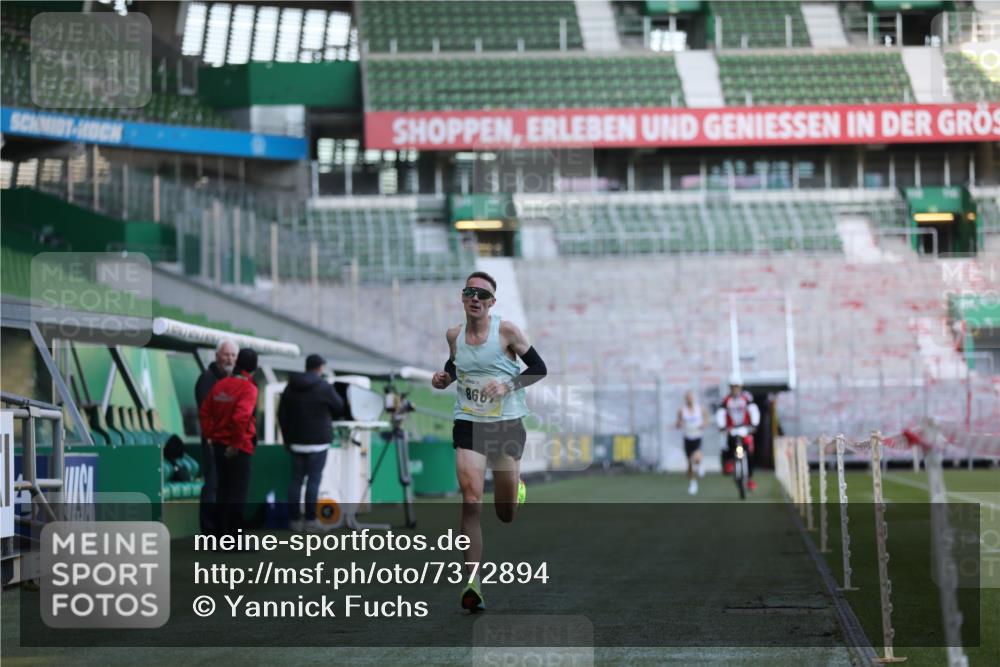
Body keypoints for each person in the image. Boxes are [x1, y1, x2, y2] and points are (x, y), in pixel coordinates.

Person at [431, 271, 547, 613]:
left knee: (506, 512)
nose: (475, 298)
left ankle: (516, 486)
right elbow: (455, 366)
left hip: (506, 424)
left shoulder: (507, 331)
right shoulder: (454, 335)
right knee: (470, 501)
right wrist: (444, 378)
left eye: (482, 294)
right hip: (468, 422)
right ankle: (472, 583)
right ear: (463, 298)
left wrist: (508, 385)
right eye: (470, 292)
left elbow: (539, 368)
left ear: (492, 302)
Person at [278, 353, 345, 532]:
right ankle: (310, 521)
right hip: (319, 442)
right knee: (313, 481)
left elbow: (282, 415)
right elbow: (339, 406)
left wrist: (287, 439)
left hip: (296, 442)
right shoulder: (324, 387)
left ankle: (294, 521)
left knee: (295, 481)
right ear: (320, 368)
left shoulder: (290, 386)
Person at [200, 348, 259, 536]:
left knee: (223, 492)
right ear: (254, 368)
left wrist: (210, 435)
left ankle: (219, 536)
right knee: (237, 495)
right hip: (239, 448)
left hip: (218, 445)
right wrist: (235, 444)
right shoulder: (249, 388)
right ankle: (235, 538)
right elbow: (241, 418)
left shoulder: (220, 385)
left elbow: (205, 412)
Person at [194, 338, 237, 534]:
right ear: (217, 355)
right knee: (212, 485)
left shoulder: (233, 380)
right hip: (213, 442)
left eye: (233, 355)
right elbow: (206, 412)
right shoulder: (207, 379)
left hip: (230, 443)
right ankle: (208, 531)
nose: (230, 359)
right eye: (226, 354)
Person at [715, 375, 760, 492]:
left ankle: (750, 478)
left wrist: (754, 424)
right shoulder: (726, 400)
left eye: (737, 387)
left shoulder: (746, 398)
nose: (735, 389)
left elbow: (753, 410)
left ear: (741, 387)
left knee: (749, 452)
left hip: (745, 428)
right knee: (729, 444)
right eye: (733, 387)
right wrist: (722, 426)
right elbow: (721, 413)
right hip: (732, 428)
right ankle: (729, 462)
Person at [676, 390, 708, 495]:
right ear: (685, 399)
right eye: (687, 398)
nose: (689, 400)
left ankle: (699, 464)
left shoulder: (700, 408)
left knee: (697, 456)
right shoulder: (682, 410)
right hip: (687, 438)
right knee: (690, 463)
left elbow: (706, 420)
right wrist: (680, 424)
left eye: (691, 397)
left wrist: (703, 425)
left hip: (697, 436)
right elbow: (678, 423)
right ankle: (693, 483)